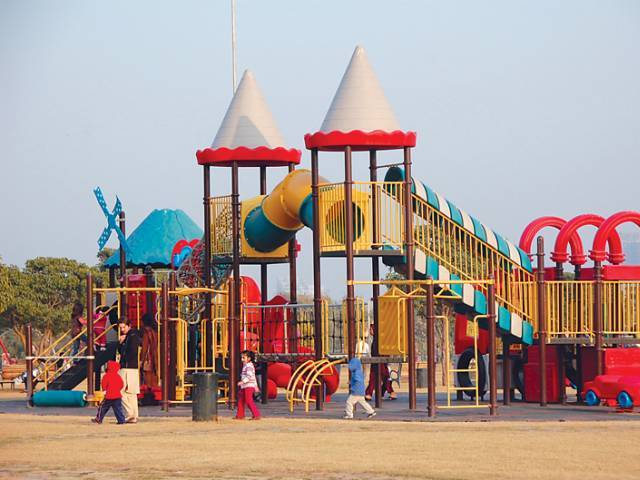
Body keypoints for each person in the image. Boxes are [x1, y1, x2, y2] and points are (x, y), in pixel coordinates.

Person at [118, 319, 141, 423]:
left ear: (129, 326)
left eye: (124, 327)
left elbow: (125, 352)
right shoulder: (135, 336)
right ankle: (134, 415)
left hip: (126, 367)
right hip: (134, 367)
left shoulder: (129, 337)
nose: (122, 330)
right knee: (132, 393)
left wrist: (121, 344)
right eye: (121, 328)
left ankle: (130, 412)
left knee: (119, 391)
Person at [92, 360, 126, 425]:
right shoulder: (118, 376)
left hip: (109, 396)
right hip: (117, 396)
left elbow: (104, 384)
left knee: (103, 407)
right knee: (118, 409)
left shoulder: (106, 376)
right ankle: (121, 420)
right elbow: (121, 385)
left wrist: (104, 391)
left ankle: (99, 418)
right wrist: (117, 390)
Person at [234, 350, 261, 420]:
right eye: (241, 358)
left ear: (249, 358)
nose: (242, 359)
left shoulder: (249, 366)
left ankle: (256, 415)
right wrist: (256, 386)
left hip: (248, 386)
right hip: (246, 386)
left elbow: (249, 376)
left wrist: (242, 382)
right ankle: (240, 415)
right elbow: (253, 377)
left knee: (248, 400)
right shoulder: (247, 366)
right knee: (241, 399)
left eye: (243, 358)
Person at [140, 313, 158, 388]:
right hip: (155, 356)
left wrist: (141, 360)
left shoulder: (146, 333)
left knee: (148, 379)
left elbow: (145, 347)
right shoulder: (156, 331)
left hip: (149, 358)